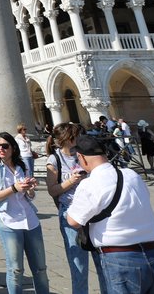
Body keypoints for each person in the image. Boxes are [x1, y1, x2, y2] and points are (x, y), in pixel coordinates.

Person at [66, 135, 154, 293]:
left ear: (82, 158)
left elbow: (73, 221)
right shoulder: (131, 175)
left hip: (120, 259)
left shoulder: (90, 184)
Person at [0, 131, 49, 294]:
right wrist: (15, 188)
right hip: (8, 220)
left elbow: (30, 196)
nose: (1, 149)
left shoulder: (21, 165)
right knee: (15, 269)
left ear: (13, 147)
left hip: (30, 219)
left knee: (40, 268)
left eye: (4, 146)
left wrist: (30, 188)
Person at [45, 122, 98, 294]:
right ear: (67, 139)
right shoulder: (54, 159)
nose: (80, 138)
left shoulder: (85, 154)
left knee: (102, 259)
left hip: (93, 211)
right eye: (76, 136)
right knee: (78, 263)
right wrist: (72, 181)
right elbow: (52, 190)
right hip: (70, 212)